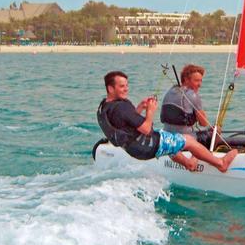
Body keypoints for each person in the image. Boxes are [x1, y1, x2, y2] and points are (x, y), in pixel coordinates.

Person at [97, 70, 237, 172]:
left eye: (126, 85)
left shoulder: (105, 106)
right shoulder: (122, 107)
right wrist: (150, 111)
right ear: (110, 88)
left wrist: (139, 108)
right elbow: (146, 129)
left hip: (133, 148)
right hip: (146, 146)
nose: (126, 89)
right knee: (187, 140)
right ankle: (220, 164)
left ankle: (188, 164)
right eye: (122, 86)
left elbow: (125, 122)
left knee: (168, 139)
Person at [160, 64, 217, 142]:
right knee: (216, 132)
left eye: (201, 80)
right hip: (185, 141)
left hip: (167, 138)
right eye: (196, 81)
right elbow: (204, 123)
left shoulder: (170, 91)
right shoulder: (192, 95)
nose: (200, 85)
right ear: (186, 79)